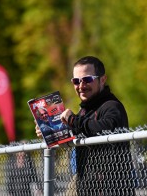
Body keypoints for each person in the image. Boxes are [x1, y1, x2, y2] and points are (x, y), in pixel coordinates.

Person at [35, 56, 135, 195]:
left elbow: (102, 128)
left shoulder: (112, 106)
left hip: (111, 190)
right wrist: (49, 130)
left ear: (103, 80)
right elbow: (80, 130)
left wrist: (73, 121)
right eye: (76, 81)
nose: (81, 86)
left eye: (87, 79)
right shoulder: (84, 112)